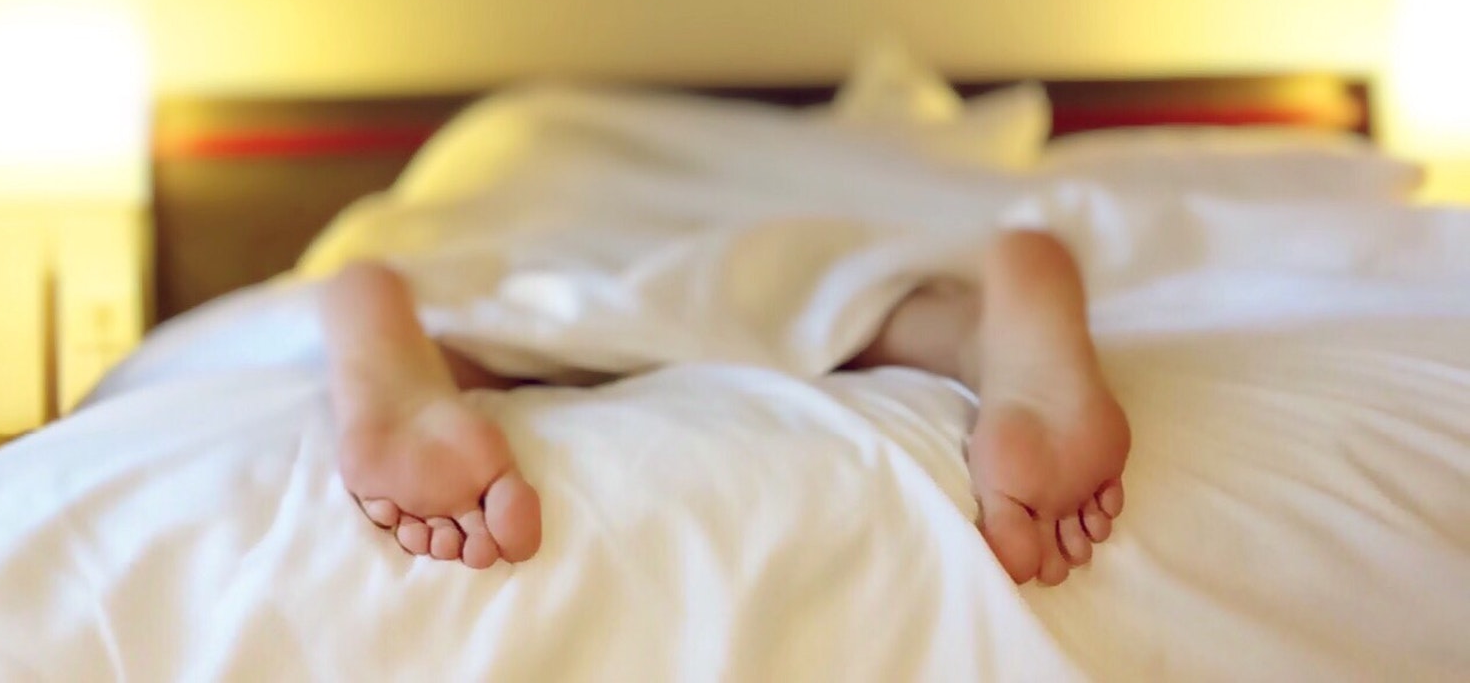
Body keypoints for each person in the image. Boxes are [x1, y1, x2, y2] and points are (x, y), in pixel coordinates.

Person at [323, 228, 1130, 587]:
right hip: (811, 249)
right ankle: (982, 329)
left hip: (549, 261)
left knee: (509, 321)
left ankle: (400, 344)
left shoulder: (531, 160)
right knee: (871, 307)